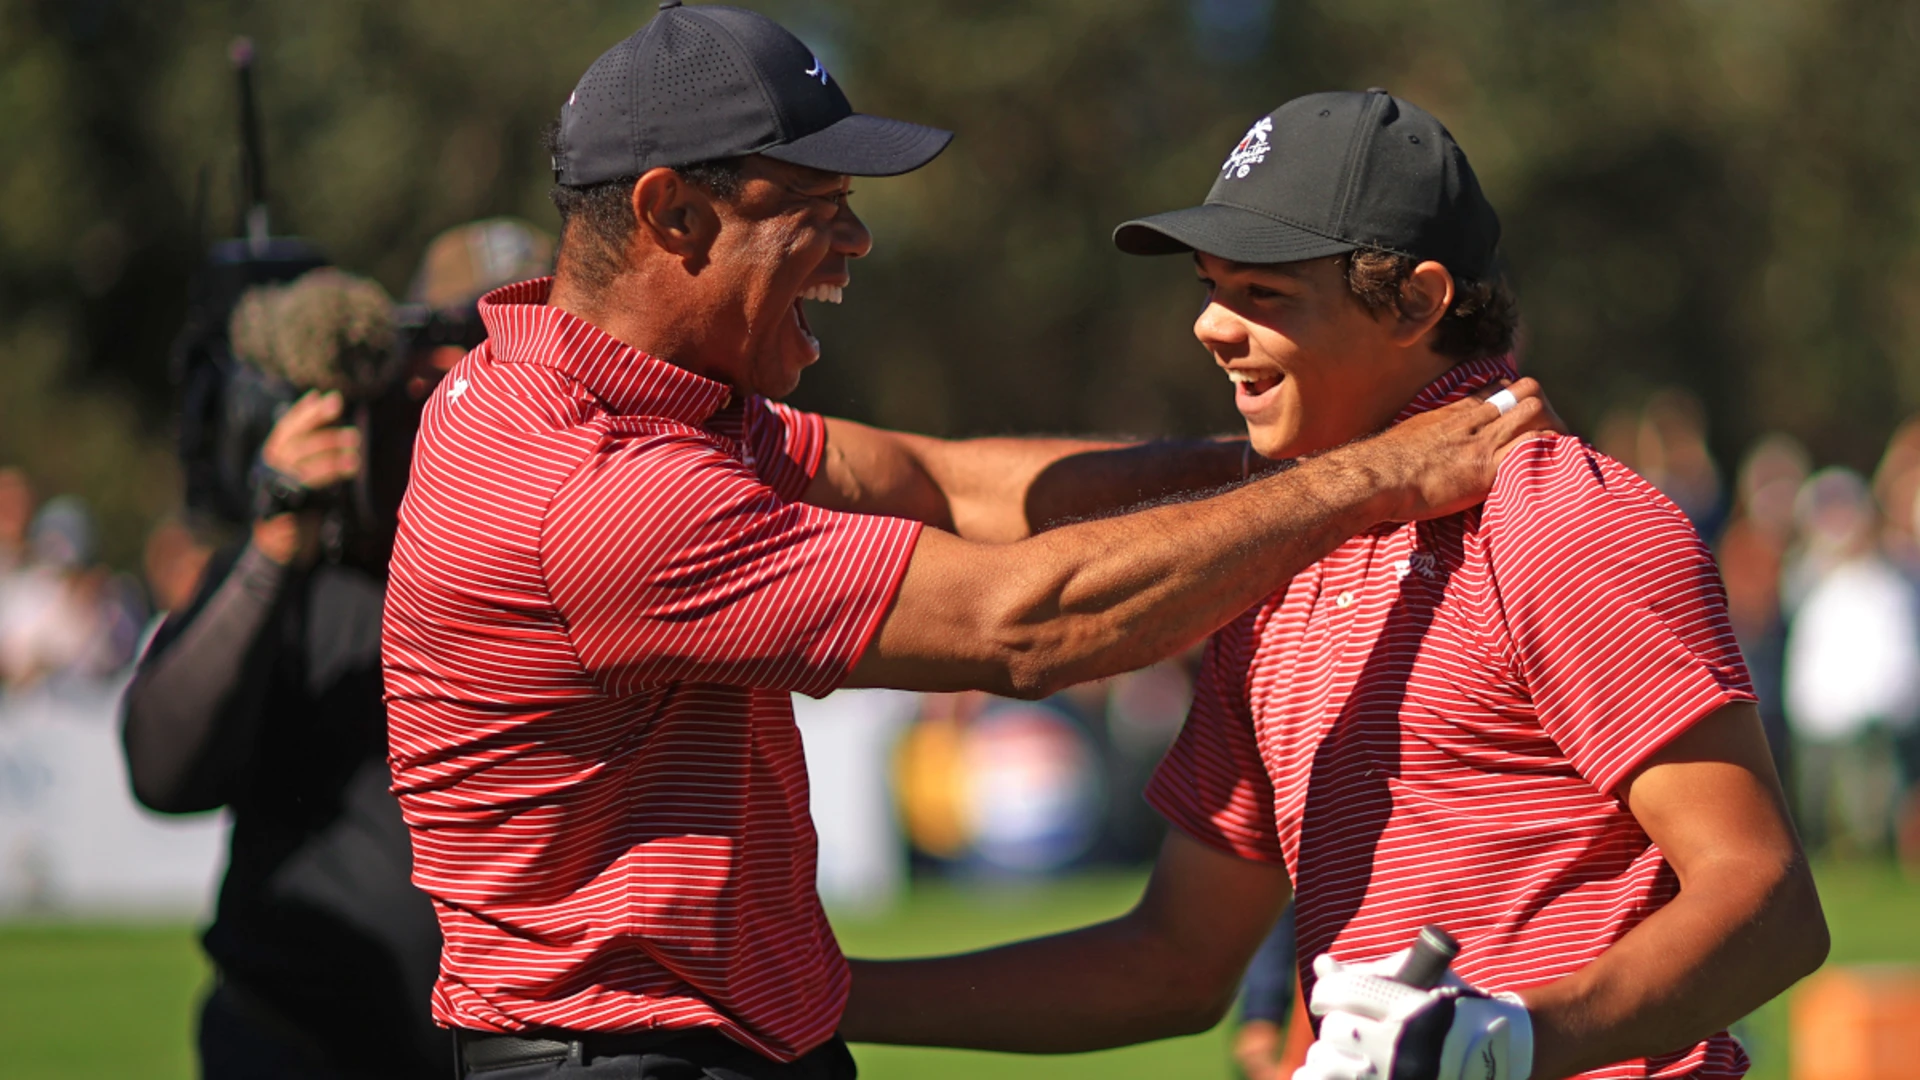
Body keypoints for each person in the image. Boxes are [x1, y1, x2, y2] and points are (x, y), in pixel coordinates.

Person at [381, 10, 1555, 1080]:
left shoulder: (637, 402)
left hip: (677, 1043)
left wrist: (1270, 468)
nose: (857, 239)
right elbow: (1027, 625)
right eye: (814, 203)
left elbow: (947, 483)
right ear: (671, 216)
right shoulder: (597, 491)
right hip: (631, 1060)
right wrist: (1376, 477)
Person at [837, 90, 1826, 1080]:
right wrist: (821, 996)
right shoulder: (1278, 549)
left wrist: (1515, 1040)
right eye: (1211, 286)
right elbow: (1175, 961)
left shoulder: (1555, 517)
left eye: (1263, 295)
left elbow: (1769, 900)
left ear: (1417, 301)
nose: (1209, 327)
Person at [121, 224, 552, 1080]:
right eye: (451, 355)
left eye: (520, 357)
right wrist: (277, 538)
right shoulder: (306, 559)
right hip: (292, 1045)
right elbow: (166, 773)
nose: (483, 387)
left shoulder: (596, 559)